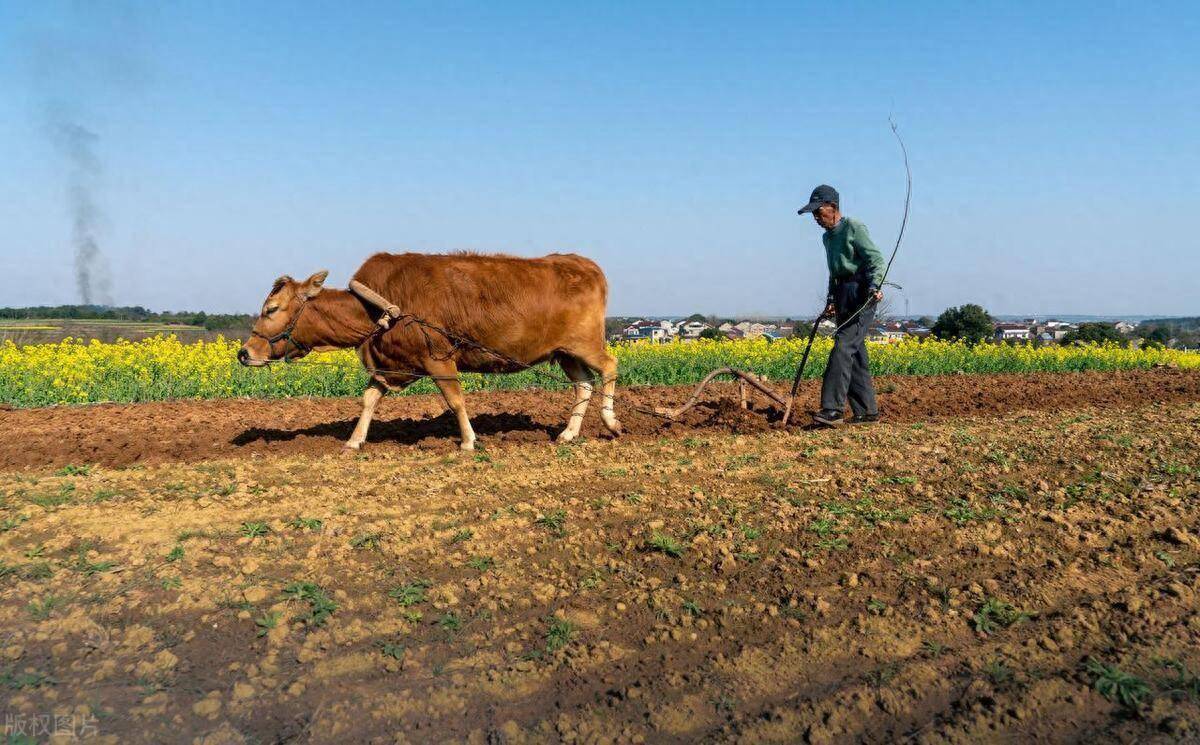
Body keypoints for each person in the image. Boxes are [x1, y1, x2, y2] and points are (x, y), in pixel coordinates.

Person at [797, 184, 883, 426]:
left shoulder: (854, 227)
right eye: (812, 214)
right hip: (842, 293)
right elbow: (833, 272)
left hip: (862, 293)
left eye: (818, 212)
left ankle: (832, 409)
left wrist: (875, 286)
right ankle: (867, 412)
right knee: (855, 353)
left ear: (833, 207)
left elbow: (875, 259)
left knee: (843, 347)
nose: (815, 217)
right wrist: (831, 299)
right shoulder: (827, 237)